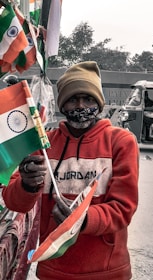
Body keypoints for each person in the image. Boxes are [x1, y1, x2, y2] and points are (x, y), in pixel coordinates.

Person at [2, 61, 139, 280]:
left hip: (107, 270)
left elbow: (123, 208)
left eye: (88, 98)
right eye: (73, 99)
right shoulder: (44, 144)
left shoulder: (120, 142)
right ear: (62, 105)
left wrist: (82, 220)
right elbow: (14, 202)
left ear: (99, 103)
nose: (81, 106)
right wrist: (27, 184)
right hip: (54, 268)